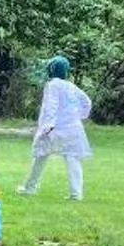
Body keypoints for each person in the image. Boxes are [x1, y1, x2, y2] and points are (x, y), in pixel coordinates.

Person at [21, 55, 93, 198]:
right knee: (73, 159)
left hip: (55, 128)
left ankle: (30, 188)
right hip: (73, 128)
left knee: (40, 155)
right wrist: (78, 116)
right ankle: (76, 193)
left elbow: (51, 105)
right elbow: (87, 102)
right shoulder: (71, 86)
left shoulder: (53, 84)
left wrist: (48, 124)